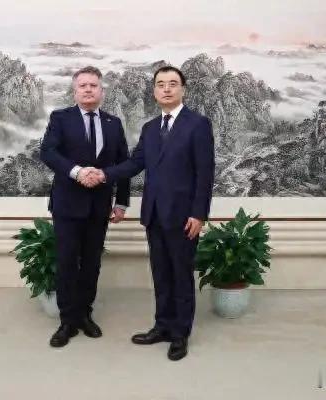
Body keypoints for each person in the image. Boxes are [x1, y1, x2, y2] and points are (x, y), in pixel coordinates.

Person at [82, 65, 215, 360]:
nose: (166, 88)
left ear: (183, 89)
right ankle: (162, 326)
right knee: (161, 274)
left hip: (184, 216)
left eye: (172, 83)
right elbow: (134, 164)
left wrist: (199, 214)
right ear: (154, 91)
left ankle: (180, 334)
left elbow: (205, 174)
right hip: (154, 214)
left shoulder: (198, 124)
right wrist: (103, 174)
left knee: (181, 275)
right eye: (160, 84)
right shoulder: (150, 128)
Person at [38, 66, 130, 348]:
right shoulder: (60, 118)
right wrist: (77, 172)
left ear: (102, 90)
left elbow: (123, 163)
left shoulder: (114, 123)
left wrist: (122, 202)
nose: (88, 89)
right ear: (75, 91)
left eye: (93, 85)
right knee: (67, 263)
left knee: (92, 263)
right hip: (67, 205)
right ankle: (67, 321)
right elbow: (48, 152)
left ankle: (85, 315)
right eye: (83, 85)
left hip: (99, 206)